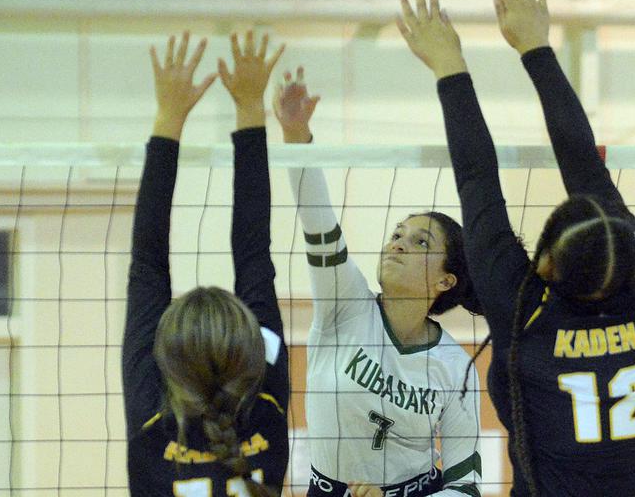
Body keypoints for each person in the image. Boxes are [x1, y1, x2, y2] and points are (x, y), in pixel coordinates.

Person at [396, 0, 635, 497]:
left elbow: (578, 169)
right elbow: (490, 181)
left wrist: (530, 46)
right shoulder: (634, 291)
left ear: (547, 261)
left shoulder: (534, 310)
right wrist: (452, 64)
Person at [273, 69, 483, 497]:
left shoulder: (454, 366)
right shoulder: (345, 303)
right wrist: (296, 135)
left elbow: (466, 488)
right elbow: (319, 225)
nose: (399, 244)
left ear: (446, 279)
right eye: (397, 234)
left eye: (419, 241)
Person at [123, 30, 289, 496]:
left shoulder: (152, 417)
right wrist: (248, 108)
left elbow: (147, 262)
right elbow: (253, 253)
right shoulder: (268, 401)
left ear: (164, 358)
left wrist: (170, 116)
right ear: (254, 349)